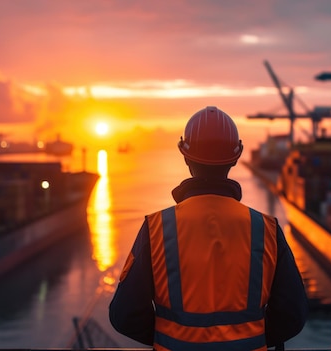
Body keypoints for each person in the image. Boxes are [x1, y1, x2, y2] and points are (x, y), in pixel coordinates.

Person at [109, 106, 308, 350]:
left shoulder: (156, 228)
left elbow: (125, 315)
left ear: (185, 156)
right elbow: (293, 314)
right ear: (236, 157)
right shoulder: (266, 229)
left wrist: (168, 336)